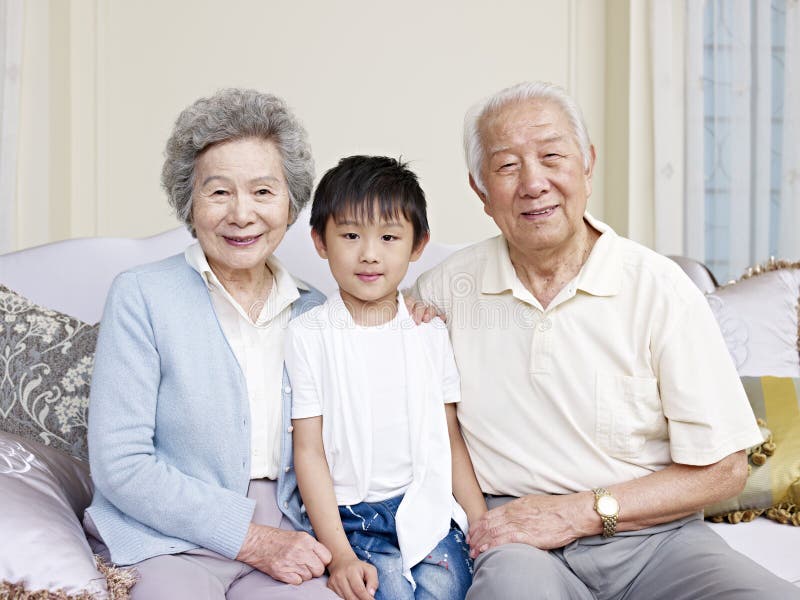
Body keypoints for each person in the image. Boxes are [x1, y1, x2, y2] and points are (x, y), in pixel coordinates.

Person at [410, 81, 800, 599]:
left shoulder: (660, 288)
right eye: (507, 167)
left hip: (655, 537)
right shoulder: (444, 290)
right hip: (518, 536)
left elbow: (724, 469)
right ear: (480, 191)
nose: (533, 183)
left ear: (587, 163)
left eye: (552, 156)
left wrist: (577, 513)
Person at [85, 88, 339, 599]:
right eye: (219, 192)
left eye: (264, 192)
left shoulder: (319, 312)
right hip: (165, 537)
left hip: (296, 537)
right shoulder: (142, 296)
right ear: (189, 202)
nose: (241, 214)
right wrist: (248, 537)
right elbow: (120, 464)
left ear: (291, 204)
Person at [284, 156, 486, 600]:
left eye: (389, 237)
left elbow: (448, 436)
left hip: (427, 507)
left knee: (451, 589)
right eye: (351, 235)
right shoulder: (308, 335)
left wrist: (479, 522)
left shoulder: (428, 330)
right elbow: (309, 451)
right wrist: (338, 553)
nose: (370, 253)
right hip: (353, 519)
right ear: (319, 240)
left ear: (418, 245)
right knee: (385, 591)